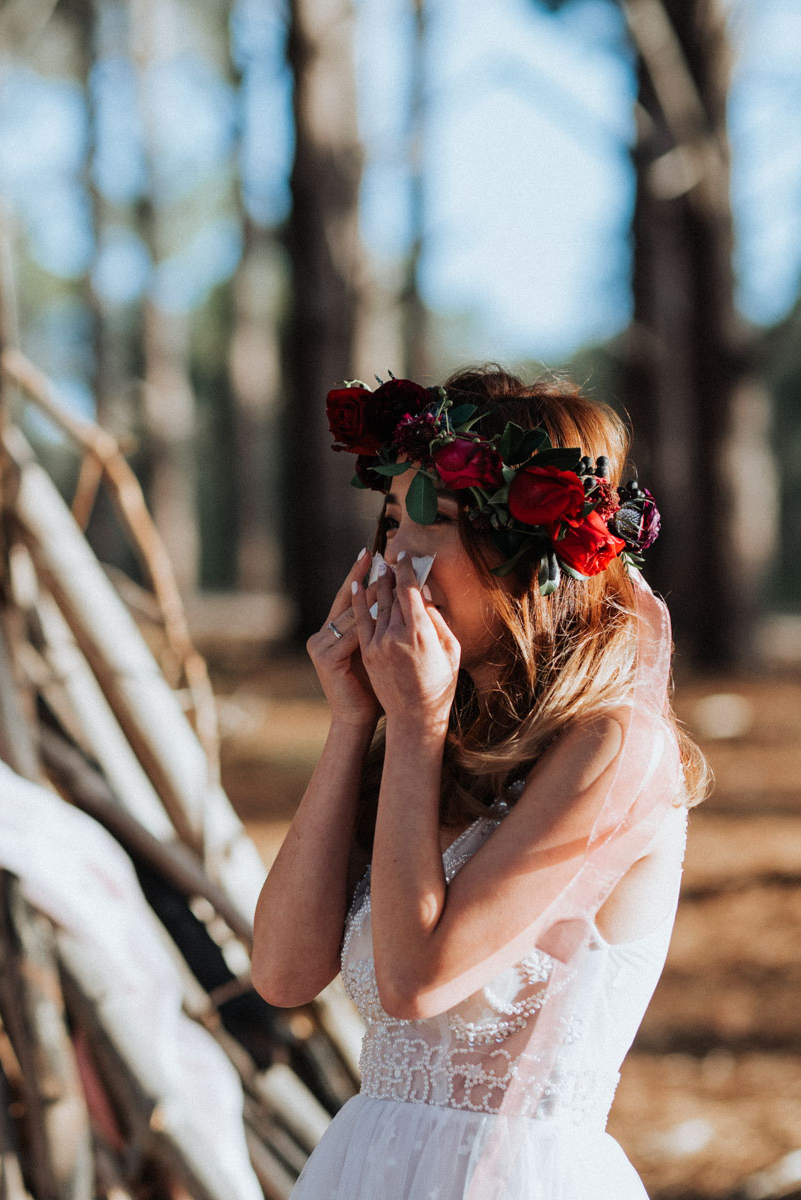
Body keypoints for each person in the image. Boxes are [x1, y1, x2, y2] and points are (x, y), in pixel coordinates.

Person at [252, 366, 709, 1199]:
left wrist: (417, 725)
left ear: (529, 557)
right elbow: (282, 971)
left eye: (435, 524)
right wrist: (354, 723)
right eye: (390, 521)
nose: (397, 559)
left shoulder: (616, 747)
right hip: (368, 1169)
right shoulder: (427, 733)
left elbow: (418, 980)